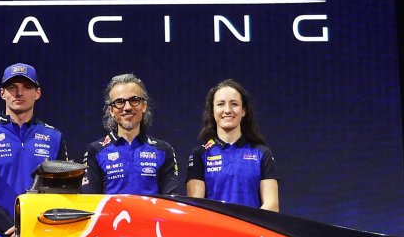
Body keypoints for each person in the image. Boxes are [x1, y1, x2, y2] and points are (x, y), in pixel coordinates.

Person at [0, 63, 69, 237]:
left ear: (38, 93)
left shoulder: (54, 137)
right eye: (12, 87)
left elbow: (62, 191)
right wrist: (13, 232)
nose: (19, 93)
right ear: (2, 93)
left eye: (26, 87)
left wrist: (33, 232)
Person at [79, 73, 181, 196]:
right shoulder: (96, 150)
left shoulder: (164, 150)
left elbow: (171, 201)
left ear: (144, 106)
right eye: (119, 102)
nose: (127, 107)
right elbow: (89, 201)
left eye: (134, 100)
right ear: (111, 110)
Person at [185, 79, 280, 210]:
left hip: (251, 230)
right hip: (214, 230)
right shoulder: (199, 155)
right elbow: (196, 208)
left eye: (234, 104)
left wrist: (247, 228)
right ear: (212, 111)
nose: (227, 110)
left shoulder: (262, 153)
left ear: (243, 111)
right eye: (220, 104)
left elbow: (272, 205)